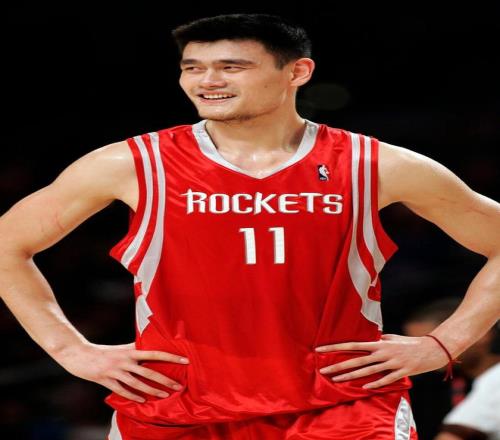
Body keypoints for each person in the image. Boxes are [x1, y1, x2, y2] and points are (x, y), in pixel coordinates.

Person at [0, 12, 499, 440]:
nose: (207, 81)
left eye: (231, 67)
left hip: (343, 407)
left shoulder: (376, 164)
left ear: (297, 71)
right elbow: (7, 244)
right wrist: (71, 352)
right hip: (173, 406)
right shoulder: (131, 164)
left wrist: (444, 343)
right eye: (192, 68)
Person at [404, 298, 500, 439]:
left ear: (481, 334)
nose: (418, 354)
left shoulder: (496, 378)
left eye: (431, 343)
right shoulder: (428, 387)